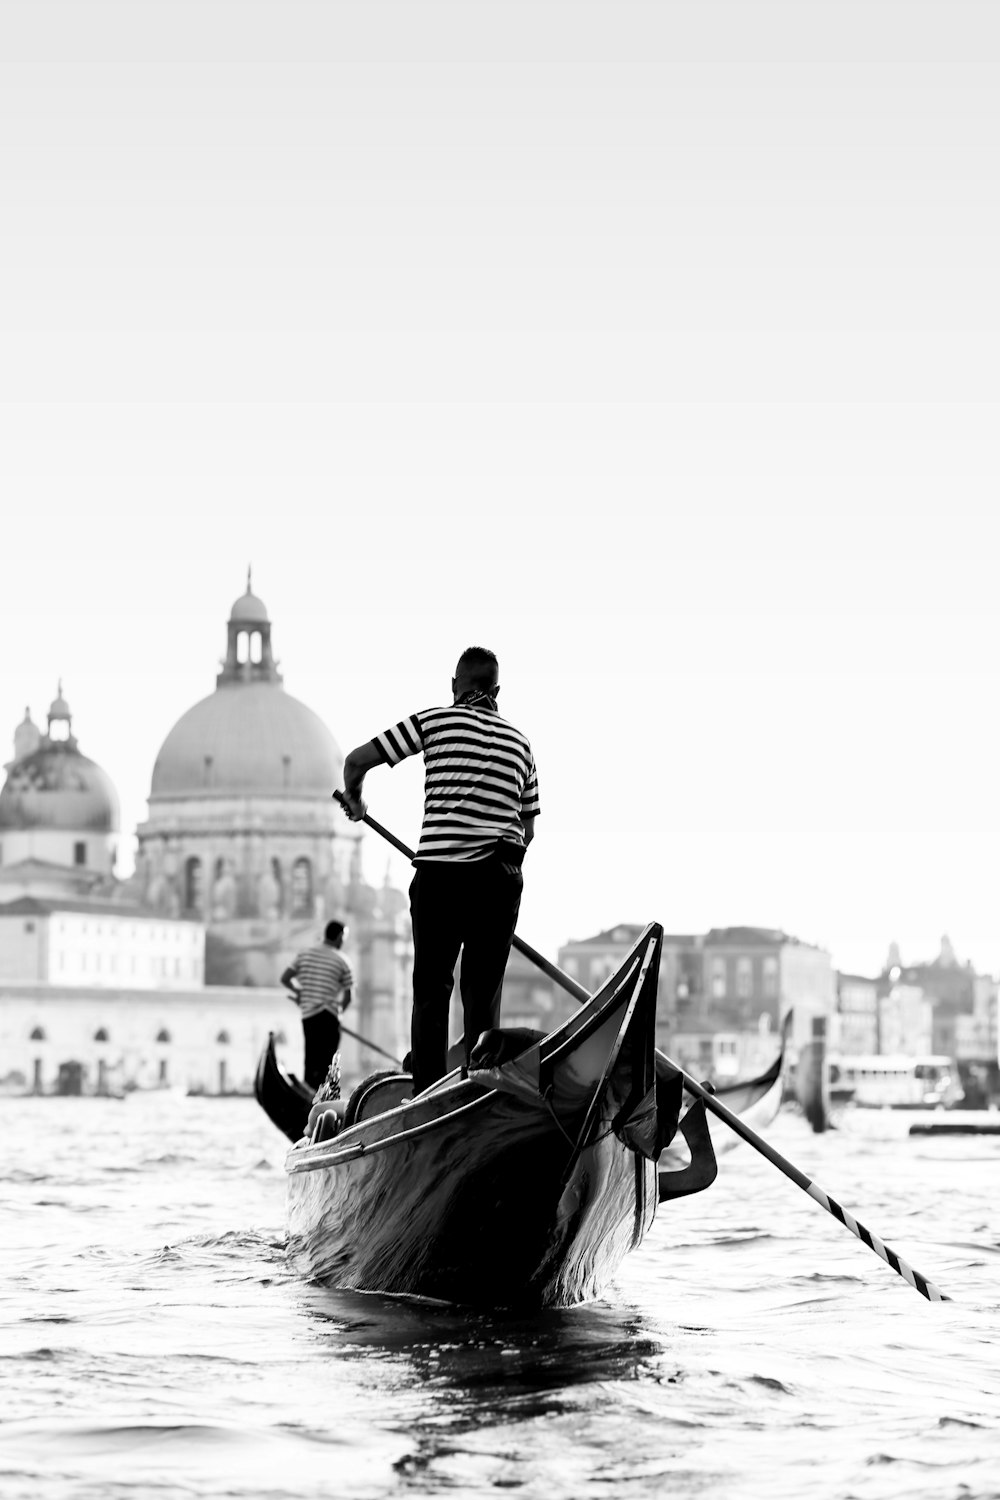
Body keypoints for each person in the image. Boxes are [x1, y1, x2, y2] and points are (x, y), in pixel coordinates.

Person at [339, 646, 540, 1097]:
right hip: (500, 880)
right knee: (482, 997)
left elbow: (356, 761)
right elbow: (528, 828)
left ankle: (427, 1093)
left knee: (432, 990)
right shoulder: (521, 743)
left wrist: (356, 801)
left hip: (441, 878)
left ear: (455, 686)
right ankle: (482, 1091)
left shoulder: (434, 721)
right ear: (497, 691)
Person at [280, 920, 353, 1092]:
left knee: (311, 1059)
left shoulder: (304, 955)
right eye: (344, 938)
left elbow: (285, 978)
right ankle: (325, 1099)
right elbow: (349, 997)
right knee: (328, 1063)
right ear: (339, 937)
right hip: (329, 1017)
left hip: (309, 1016)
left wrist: (299, 993)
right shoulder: (342, 961)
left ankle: (309, 1096)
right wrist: (339, 1013)